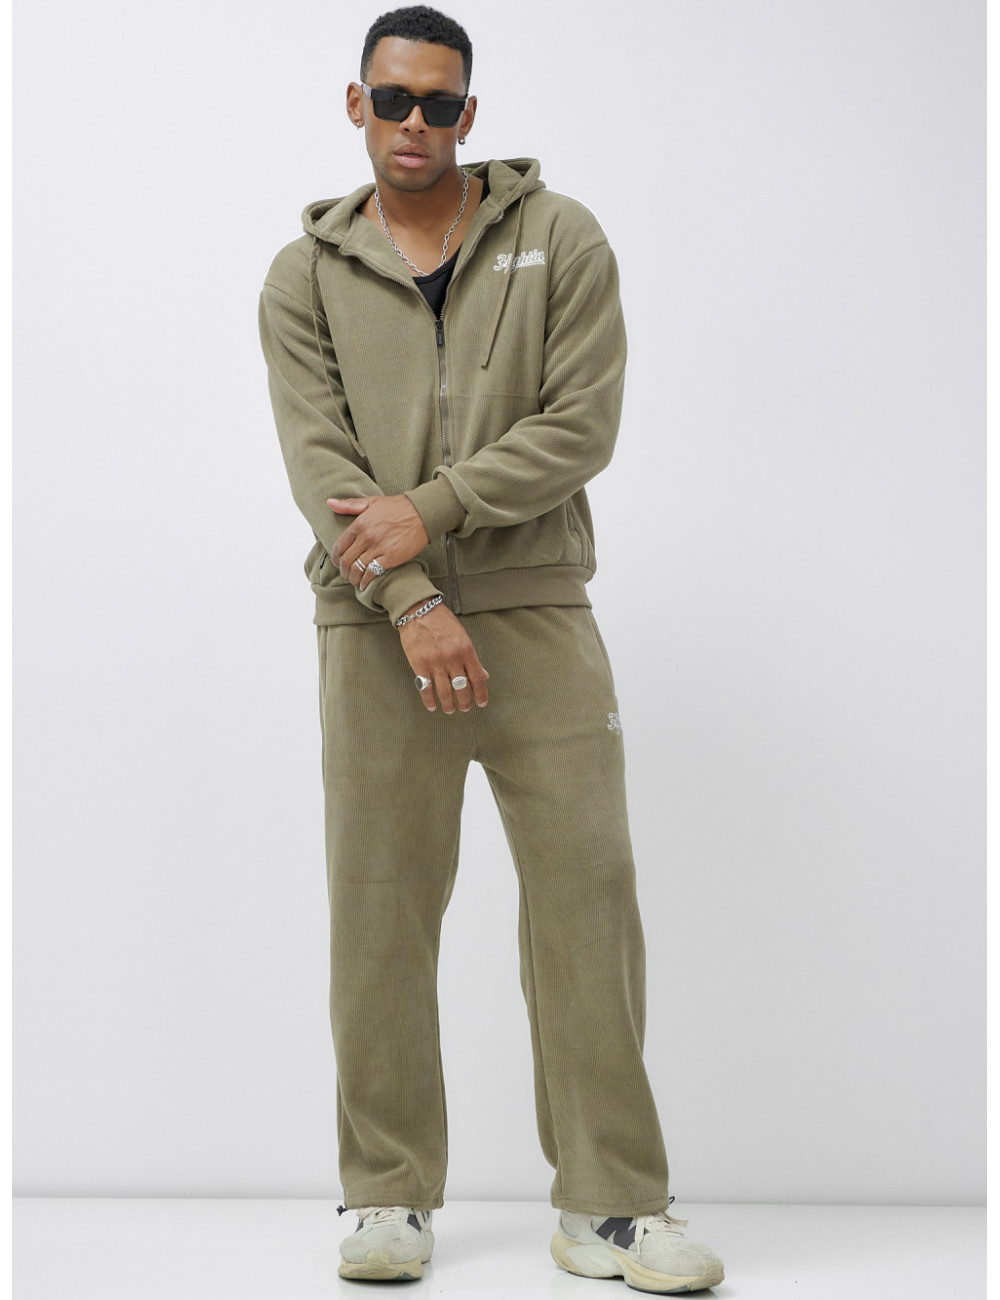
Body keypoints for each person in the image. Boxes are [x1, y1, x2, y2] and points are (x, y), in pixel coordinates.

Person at [258, 5, 724, 1292]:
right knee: (380, 909)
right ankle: (387, 1193)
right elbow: (319, 463)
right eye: (392, 98)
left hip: (538, 614)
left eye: (439, 103)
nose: (414, 123)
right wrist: (412, 595)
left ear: (470, 111)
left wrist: (437, 505)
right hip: (374, 628)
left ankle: (613, 1206)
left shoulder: (558, 236)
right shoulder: (303, 276)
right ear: (354, 103)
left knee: (586, 897)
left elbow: (582, 424)